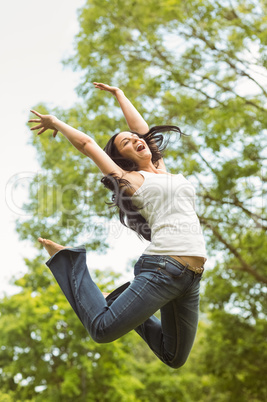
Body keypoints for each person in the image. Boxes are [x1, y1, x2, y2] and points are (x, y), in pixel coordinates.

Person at [29, 83, 207, 368]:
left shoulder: (161, 170)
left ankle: (121, 297)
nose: (137, 140)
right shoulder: (131, 180)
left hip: (191, 277)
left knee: (173, 357)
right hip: (164, 268)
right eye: (127, 142)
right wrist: (58, 123)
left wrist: (119, 94)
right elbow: (88, 146)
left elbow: (142, 129)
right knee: (101, 329)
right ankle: (68, 259)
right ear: (123, 158)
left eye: (137, 138)